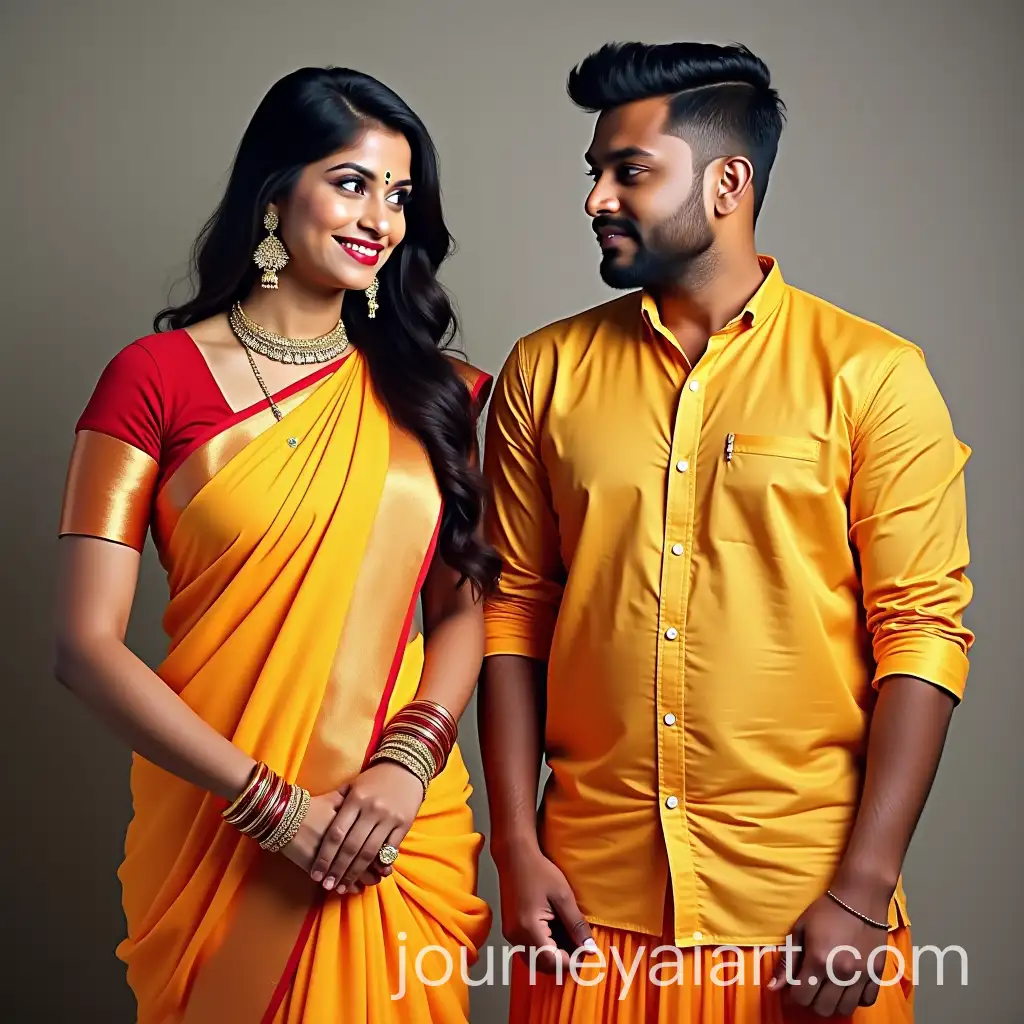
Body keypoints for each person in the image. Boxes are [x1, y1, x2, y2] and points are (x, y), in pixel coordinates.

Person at [479, 40, 972, 1023]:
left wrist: (865, 886)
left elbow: (921, 633)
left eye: (629, 171)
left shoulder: (873, 376)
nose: (595, 200)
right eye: (594, 174)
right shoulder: (544, 371)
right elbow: (510, 614)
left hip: (806, 914)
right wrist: (515, 849)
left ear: (725, 182)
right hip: (586, 913)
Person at [54, 67, 498, 1023]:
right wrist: (275, 809)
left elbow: (467, 609)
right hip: (220, 824)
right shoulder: (152, 380)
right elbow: (84, 649)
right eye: (350, 182)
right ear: (273, 193)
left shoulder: (444, 395)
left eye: (400, 194)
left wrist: (407, 763)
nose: (380, 216)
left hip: (390, 828)